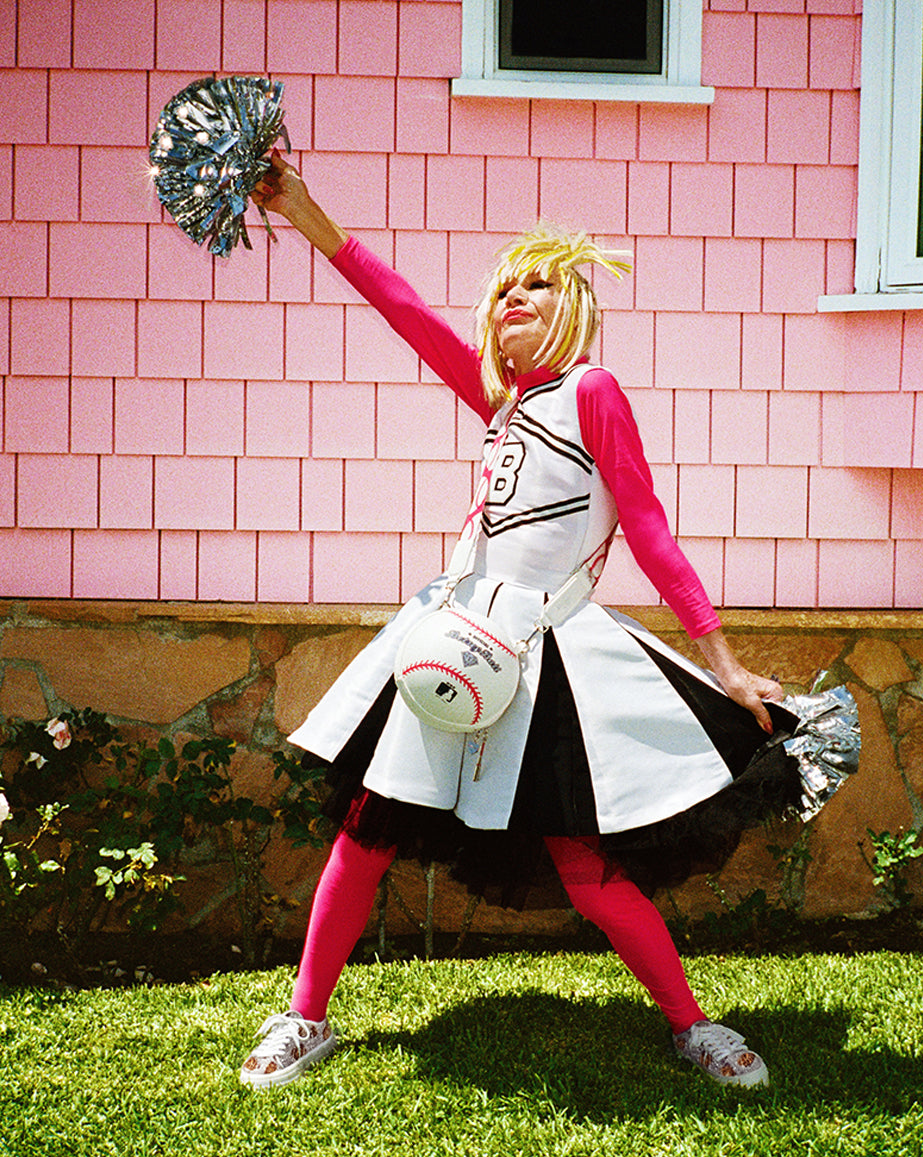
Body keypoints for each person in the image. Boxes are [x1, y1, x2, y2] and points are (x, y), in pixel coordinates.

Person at [239, 151, 805, 1091]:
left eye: (537, 285)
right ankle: (304, 1016)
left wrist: (725, 661)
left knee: (583, 862)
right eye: (503, 286)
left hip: (549, 656)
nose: (514, 295)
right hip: (450, 637)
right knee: (365, 831)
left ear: (573, 307)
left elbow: (649, 528)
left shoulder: (592, 391)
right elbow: (404, 311)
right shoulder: (502, 403)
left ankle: (693, 1024)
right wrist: (302, 208)